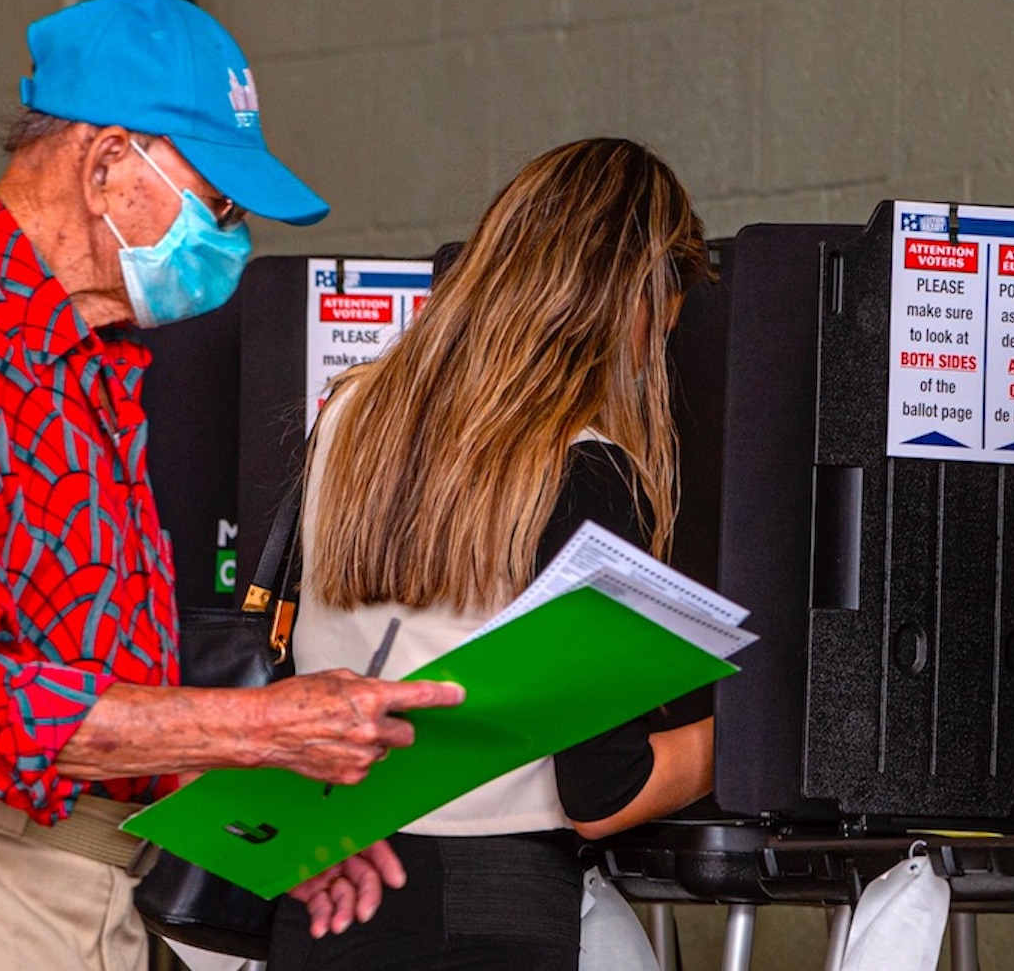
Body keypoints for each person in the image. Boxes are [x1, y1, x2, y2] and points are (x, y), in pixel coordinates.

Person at [0, 0, 465, 971]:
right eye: (218, 205)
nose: (233, 241)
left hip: (68, 882)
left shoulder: (86, 360)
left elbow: (86, 681)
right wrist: (261, 727)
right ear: (109, 159)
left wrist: (254, 825)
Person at [268, 137, 716, 970]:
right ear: (638, 297)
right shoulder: (584, 467)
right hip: (483, 905)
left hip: (323, 871)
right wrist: (754, 741)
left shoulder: (349, 412)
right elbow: (603, 793)